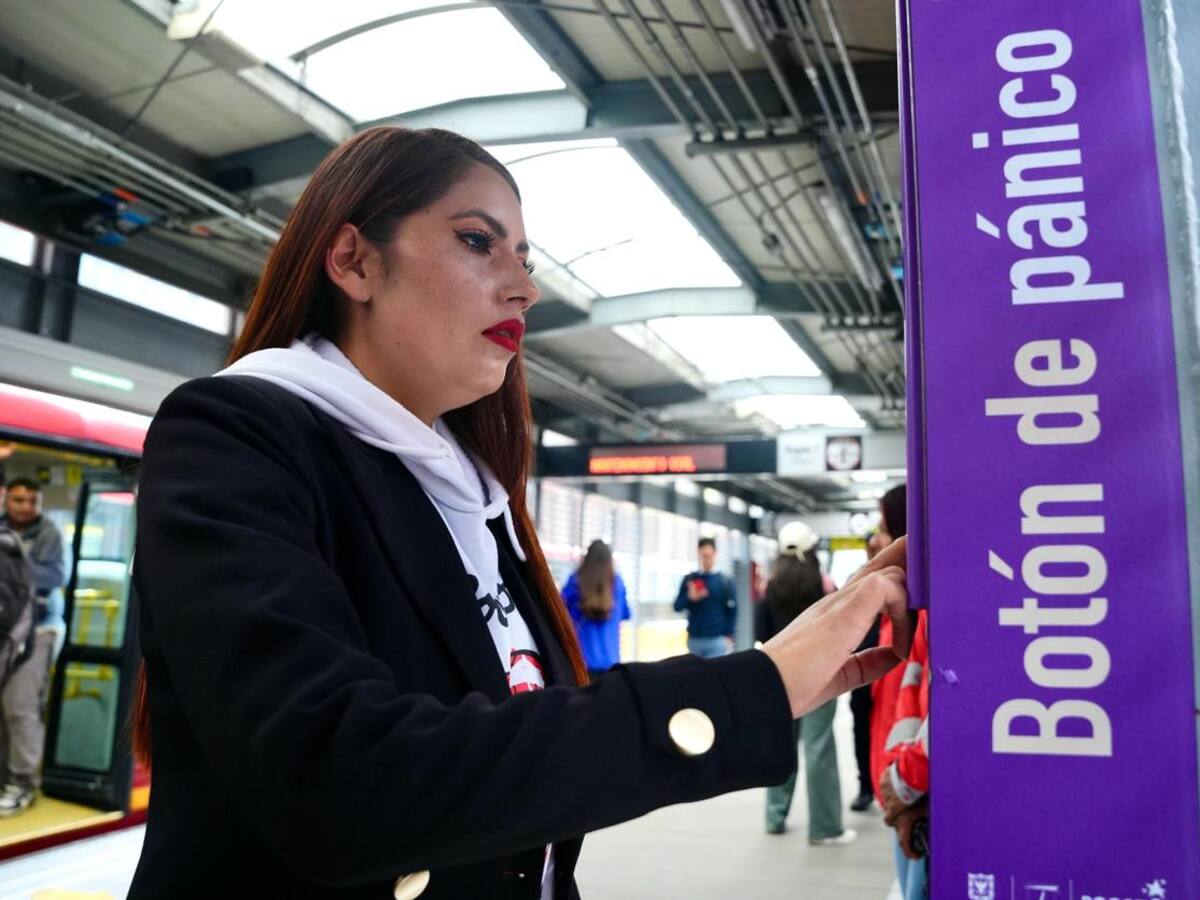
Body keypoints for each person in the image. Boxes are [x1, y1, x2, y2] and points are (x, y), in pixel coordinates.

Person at [127, 126, 912, 899]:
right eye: (479, 242)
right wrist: (746, 692)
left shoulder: (474, 494)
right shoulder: (233, 436)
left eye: (525, 259)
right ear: (354, 260)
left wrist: (772, 672)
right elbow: (338, 779)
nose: (524, 287)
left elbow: (509, 769)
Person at [755, 521, 856, 846]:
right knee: (819, 748)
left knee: (781, 745)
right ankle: (824, 828)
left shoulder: (770, 589)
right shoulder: (823, 585)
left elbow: (761, 633)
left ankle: (775, 817)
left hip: (776, 680)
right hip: (820, 678)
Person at [867, 484, 928, 899]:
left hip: (913, 791)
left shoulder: (922, 618)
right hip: (900, 785)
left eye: (885, 530)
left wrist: (904, 781)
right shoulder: (897, 615)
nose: (877, 541)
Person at [0, 476, 65, 818]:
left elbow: (54, 577)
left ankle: (24, 783)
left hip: (39, 630)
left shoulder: (49, 534)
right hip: (6, 630)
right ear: (6, 501)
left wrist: (13, 561)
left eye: (32, 501)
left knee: (20, 706)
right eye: (18, 500)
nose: (26, 507)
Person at [561, 540, 632, 680]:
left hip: (581, 662)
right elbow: (626, 614)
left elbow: (559, 609)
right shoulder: (617, 584)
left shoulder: (575, 582)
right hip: (611, 663)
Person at [849, 532, 882, 813]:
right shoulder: (857, 581)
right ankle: (865, 786)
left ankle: (884, 780)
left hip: (889, 666)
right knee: (861, 727)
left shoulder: (905, 577)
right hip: (861, 666)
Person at [673, 537, 737, 659]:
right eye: (703, 556)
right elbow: (677, 606)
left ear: (715, 554)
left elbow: (732, 611)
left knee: (714, 676)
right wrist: (689, 597)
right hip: (695, 640)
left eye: (709, 556)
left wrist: (729, 636)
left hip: (717, 640)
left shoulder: (725, 581)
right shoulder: (690, 579)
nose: (706, 560)